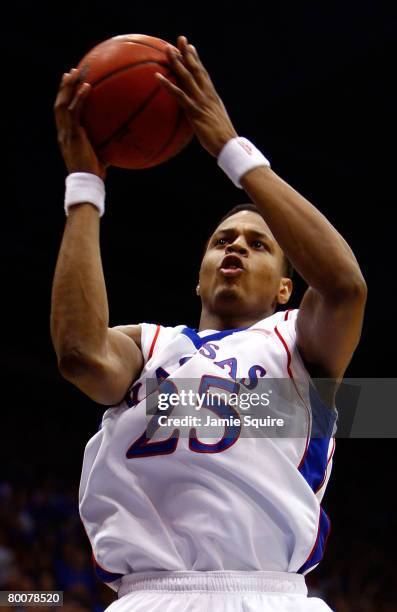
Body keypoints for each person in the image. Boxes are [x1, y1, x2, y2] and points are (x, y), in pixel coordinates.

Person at [51, 35, 367, 612]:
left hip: (269, 595)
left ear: (284, 288)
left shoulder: (300, 342)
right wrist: (85, 188)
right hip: (152, 596)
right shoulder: (149, 347)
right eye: (223, 240)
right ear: (198, 276)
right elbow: (78, 355)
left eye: (258, 244)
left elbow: (346, 285)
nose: (237, 248)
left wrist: (231, 150)